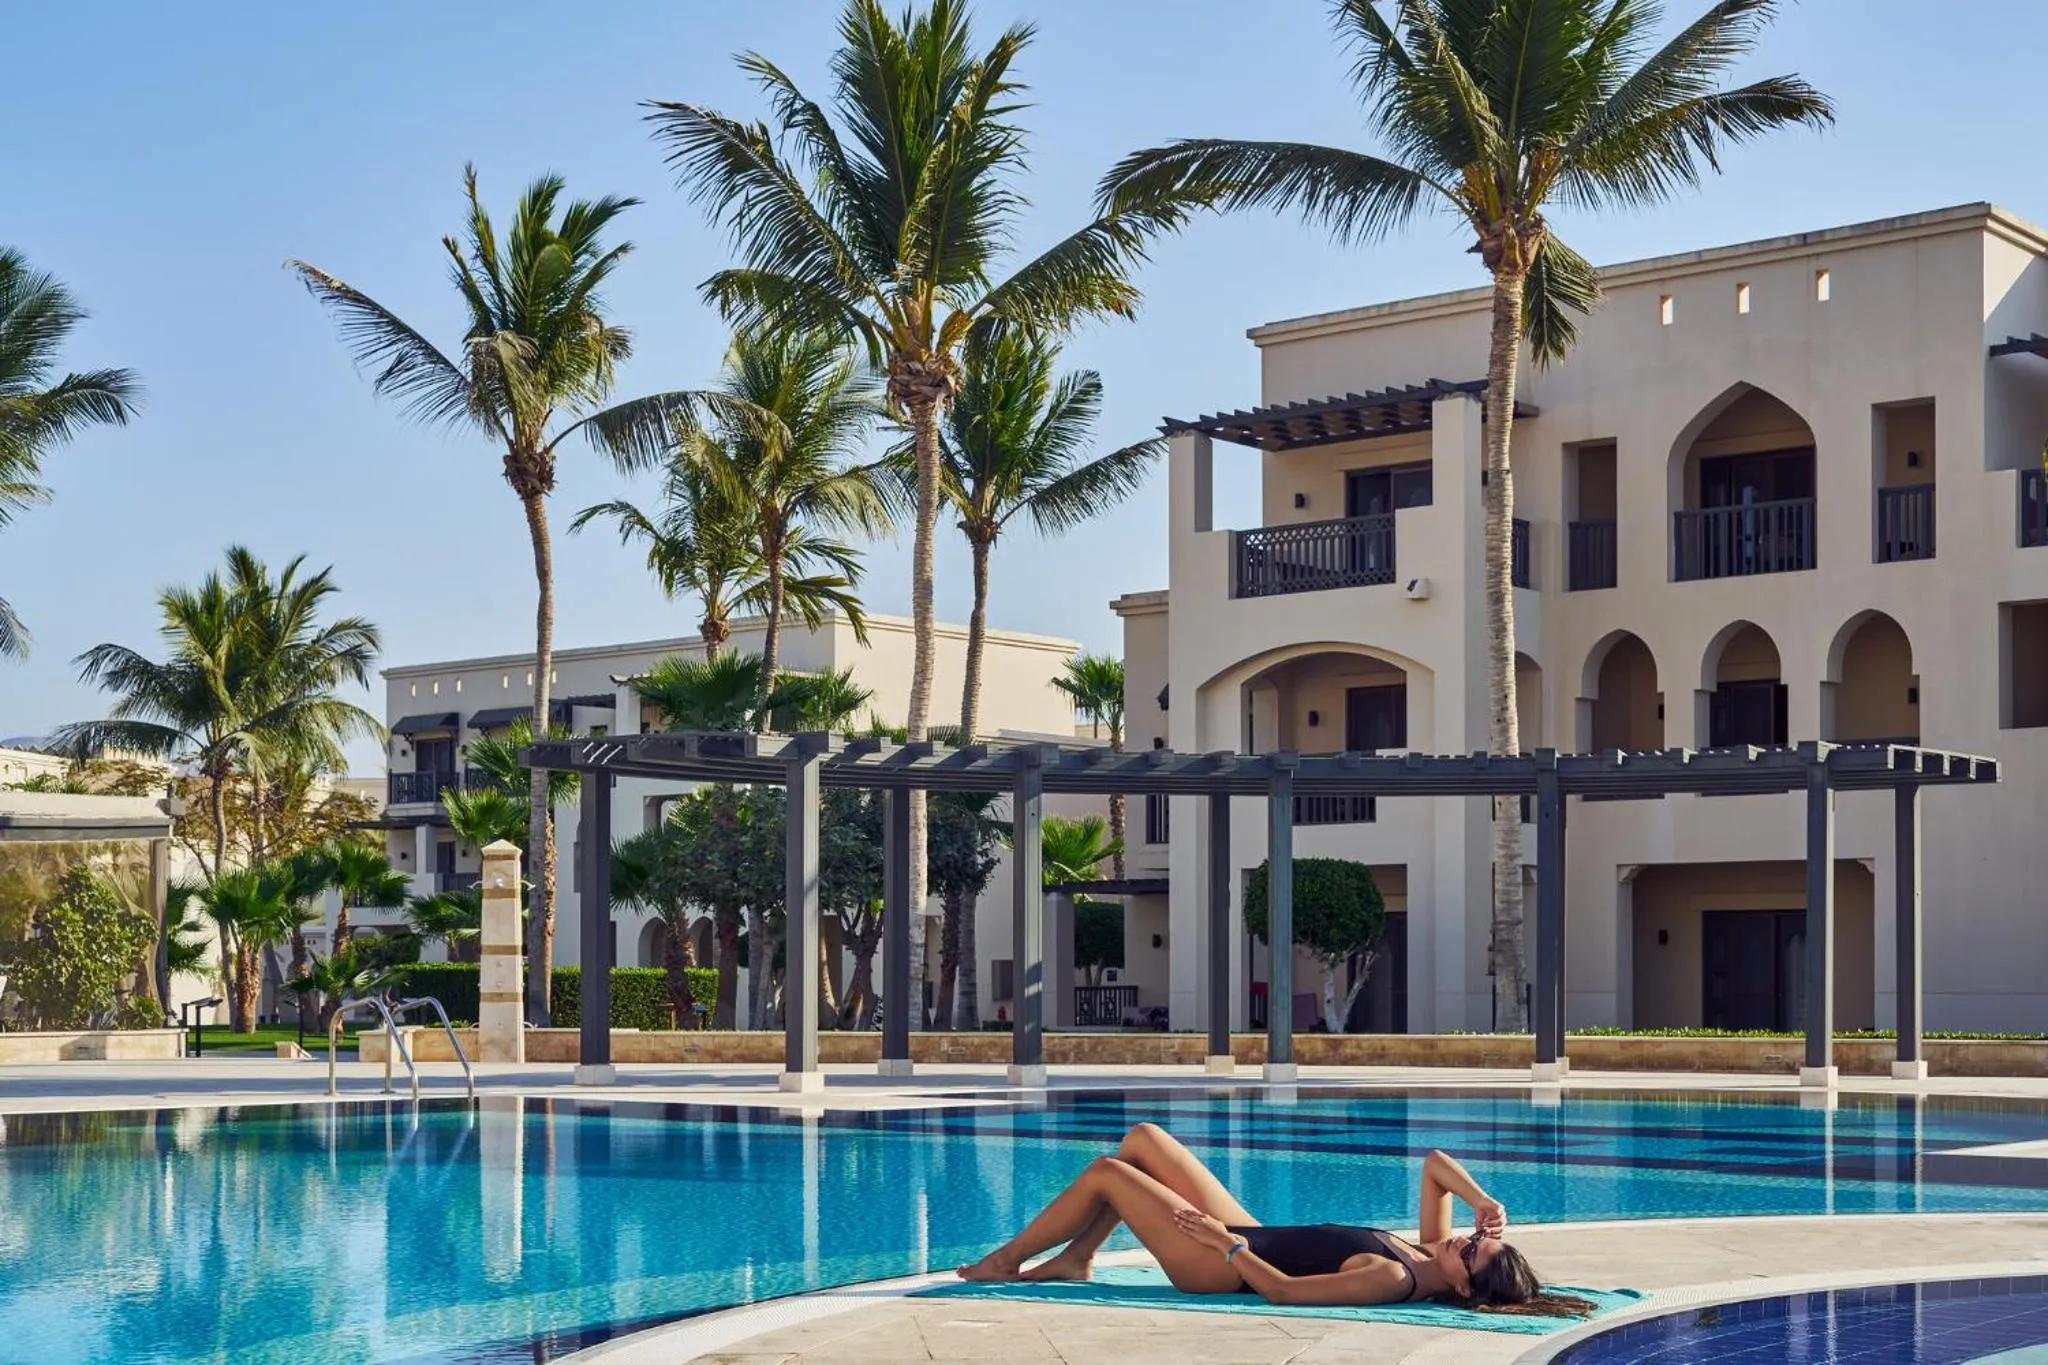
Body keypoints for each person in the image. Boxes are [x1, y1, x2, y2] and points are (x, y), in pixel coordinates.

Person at [958, 1123, 1593, 1316]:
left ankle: (1006, 1261)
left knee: (1106, 1173)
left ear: (1461, 1288)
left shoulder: (1393, 1279)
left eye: (1470, 1251)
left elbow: (1284, 1291)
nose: (1463, 1239)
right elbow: (1433, 1163)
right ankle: (1076, 1258)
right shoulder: (1428, 1253)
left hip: (1222, 1264)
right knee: (1144, 1140)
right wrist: (1481, 1197)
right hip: (1252, 1231)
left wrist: (1221, 1244)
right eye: (1477, 1237)